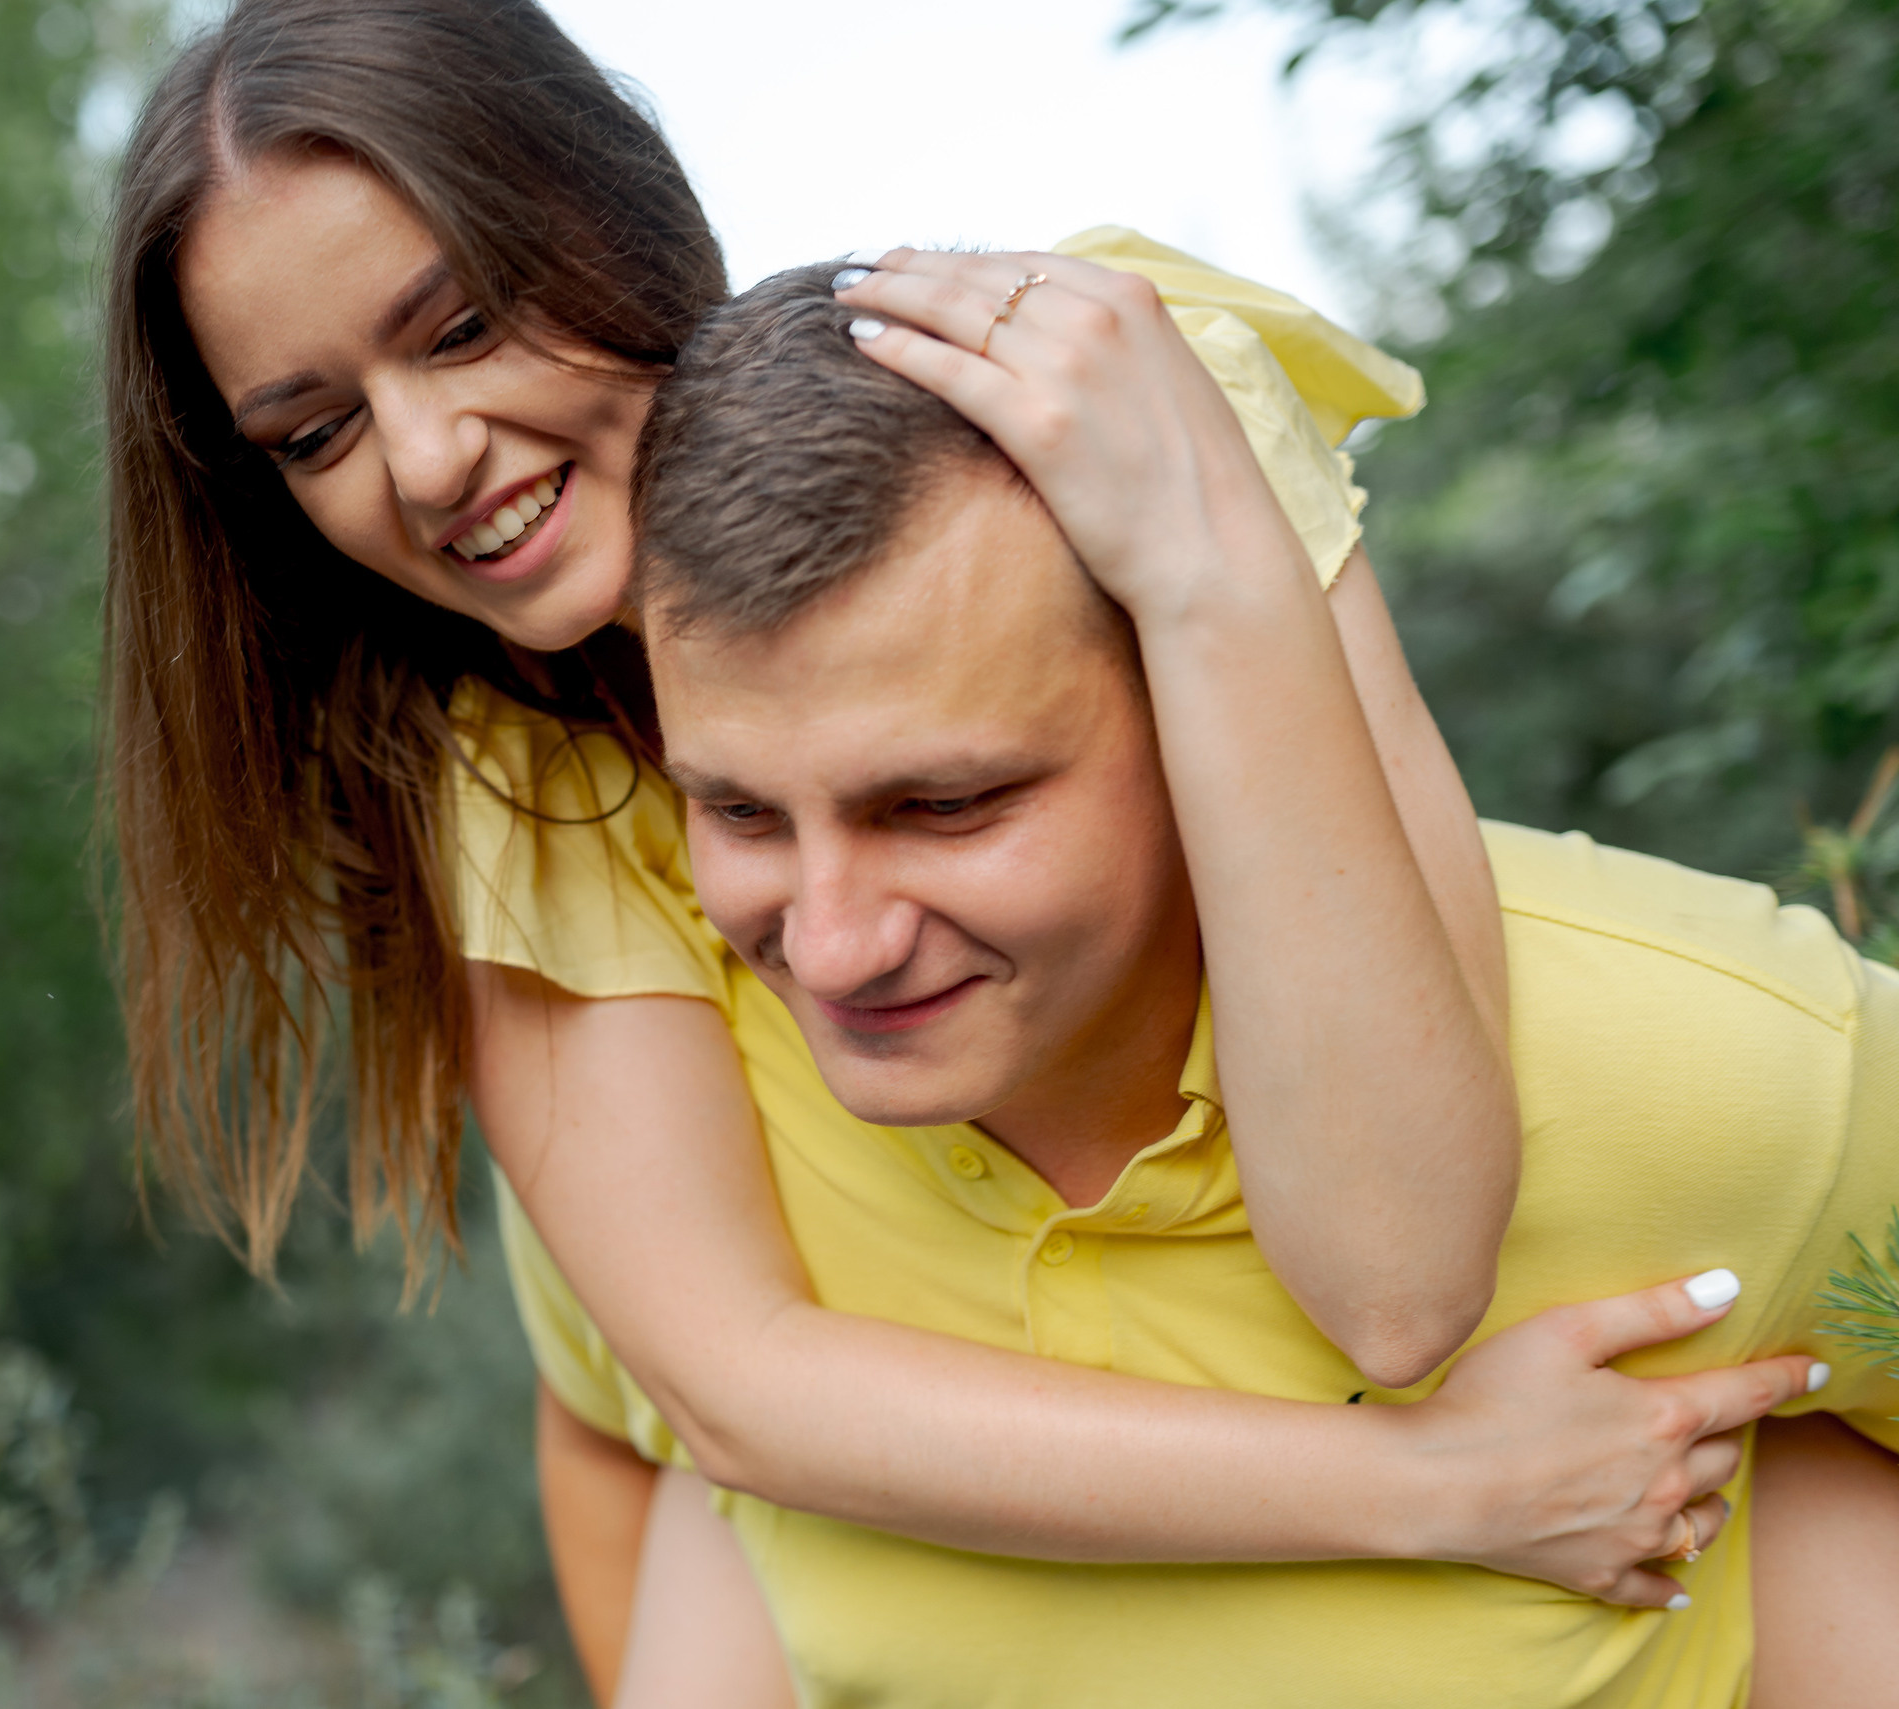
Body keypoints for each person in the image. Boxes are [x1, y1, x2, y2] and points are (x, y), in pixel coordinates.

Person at [96, 0, 1838, 1700]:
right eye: (314, 432)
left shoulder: (1087, 408)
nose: (424, 460)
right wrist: (1445, 1487)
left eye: (464, 326)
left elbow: (1397, 1261)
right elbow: (728, 1399)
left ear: (609, 215)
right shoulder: (514, 774)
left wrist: (1206, 560)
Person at [502, 252, 1899, 1707]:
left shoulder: (1721, 1067)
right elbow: (618, 1441)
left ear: (1195, 718)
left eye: (947, 805)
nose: (835, 947)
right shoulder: (689, 1128)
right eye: (739, 811)